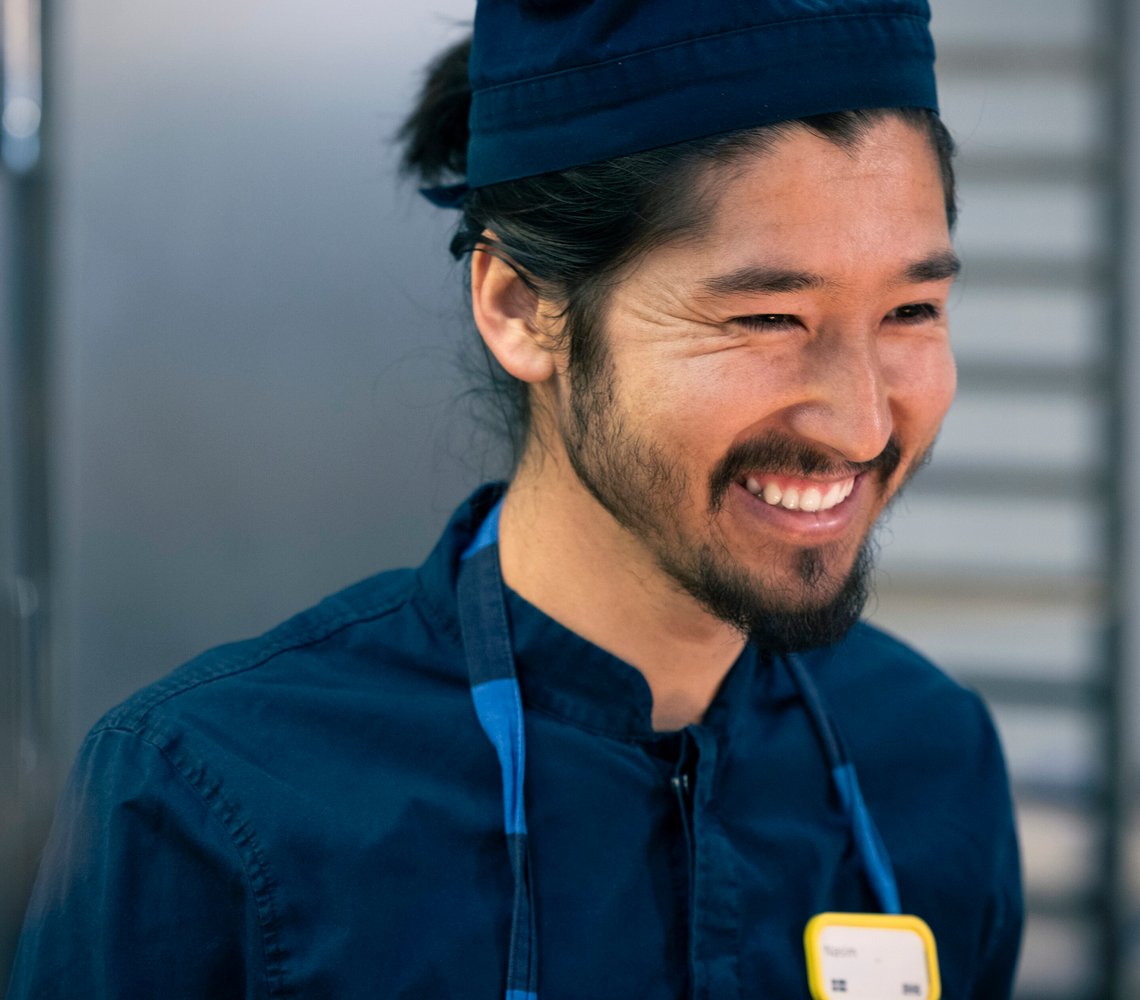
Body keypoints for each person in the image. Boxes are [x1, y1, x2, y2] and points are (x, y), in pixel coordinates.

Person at [10, 1, 1023, 997]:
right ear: (522, 309)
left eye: (910, 309)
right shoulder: (211, 802)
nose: (859, 422)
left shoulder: (931, 756)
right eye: (768, 315)